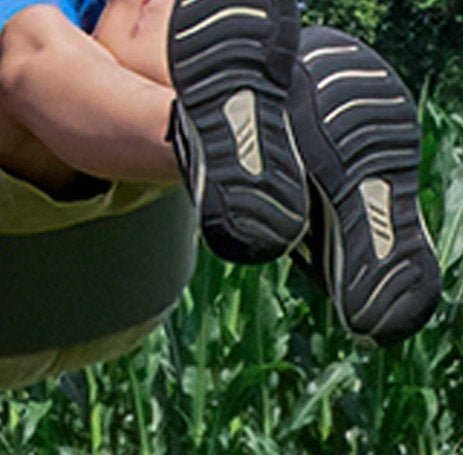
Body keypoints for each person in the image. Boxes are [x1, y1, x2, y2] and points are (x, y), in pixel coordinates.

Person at [0, 0, 439, 345]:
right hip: (58, 248)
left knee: (78, 33)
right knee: (30, 38)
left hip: (103, 242)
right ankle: (250, 137)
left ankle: (232, 134)